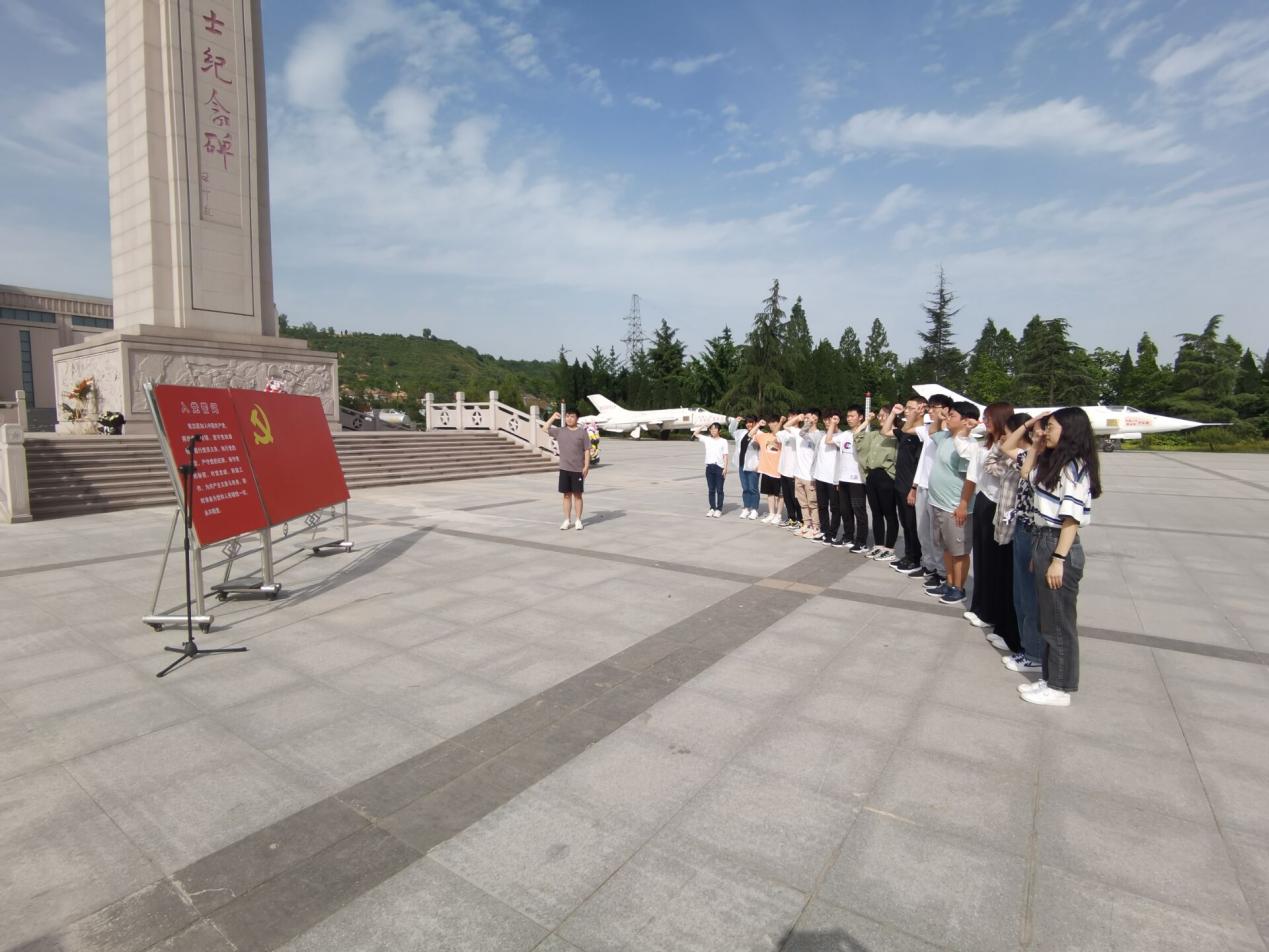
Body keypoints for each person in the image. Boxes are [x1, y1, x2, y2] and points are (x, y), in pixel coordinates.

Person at [1018, 407, 1100, 707]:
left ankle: (1060, 687)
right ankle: (1051, 677)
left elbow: (1070, 519)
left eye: (1050, 427)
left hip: (1058, 543)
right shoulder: (1055, 463)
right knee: (1048, 618)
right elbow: (1025, 475)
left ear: (1069, 430)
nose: (1045, 431)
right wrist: (1036, 445)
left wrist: (1057, 559)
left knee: (1059, 622)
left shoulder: (1074, 468)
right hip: (1044, 539)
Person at [963, 403, 1022, 655]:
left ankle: (994, 613)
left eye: (988, 418)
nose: (985, 422)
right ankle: (982, 608)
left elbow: (995, 469)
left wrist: (1005, 443)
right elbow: (974, 473)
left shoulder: (1012, 449)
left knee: (998, 565)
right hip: (985, 501)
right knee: (983, 559)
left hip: (1002, 507)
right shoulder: (985, 445)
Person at [985, 412, 1040, 675]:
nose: (1004, 438)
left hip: (1031, 531)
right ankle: (1023, 646)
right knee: (1019, 595)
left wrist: (1027, 427)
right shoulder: (1020, 457)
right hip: (1015, 528)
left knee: (1028, 598)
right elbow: (997, 455)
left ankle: (1031, 652)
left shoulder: (1036, 460)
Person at [924, 401, 980, 604]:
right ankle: (949, 583)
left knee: (959, 552)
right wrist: (940, 418)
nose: (948, 419)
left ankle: (959, 587)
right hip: (938, 503)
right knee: (947, 548)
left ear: (966, 421)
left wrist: (963, 505)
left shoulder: (967, 446)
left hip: (954, 507)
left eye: (952, 416)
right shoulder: (946, 437)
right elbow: (932, 431)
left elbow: (970, 479)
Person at [911, 393, 954, 585]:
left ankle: (941, 571)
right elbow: (906, 428)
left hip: (939, 490)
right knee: (923, 531)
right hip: (923, 484)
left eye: (934, 407)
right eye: (929, 407)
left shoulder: (950, 432)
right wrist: (914, 486)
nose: (930, 410)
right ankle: (928, 565)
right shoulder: (929, 428)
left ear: (946, 409)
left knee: (937, 535)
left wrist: (942, 419)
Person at [856, 405, 899, 561]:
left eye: (883, 415)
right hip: (872, 475)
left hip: (887, 475)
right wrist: (867, 420)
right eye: (879, 416)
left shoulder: (896, 435)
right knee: (876, 513)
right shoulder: (874, 434)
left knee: (889, 513)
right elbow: (857, 436)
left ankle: (889, 547)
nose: (880, 418)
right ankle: (879, 545)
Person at [891, 396, 927, 574]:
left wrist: (913, 488)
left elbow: (920, 464)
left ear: (921, 409)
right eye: (906, 407)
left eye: (910, 408)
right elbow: (886, 430)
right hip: (900, 483)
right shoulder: (907, 431)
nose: (906, 410)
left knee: (913, 524)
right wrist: (893, 413)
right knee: (905, 523)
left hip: (911, 486)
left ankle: (916, 558)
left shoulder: (923, 433)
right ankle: (908, 555)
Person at [544, 408, 590, 530]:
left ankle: (578, 520)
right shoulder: (560, 431)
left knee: (578, 496)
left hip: (578, 469)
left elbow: (587, 450)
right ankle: (567, 520)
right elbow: (544, 428)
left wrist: (586, 466)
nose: (569, 419)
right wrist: (553, 417)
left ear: (577, 419)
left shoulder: (582, 433)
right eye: (567, 416)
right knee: (566, 495)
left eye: (572, 416)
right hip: (564, 469)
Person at [836, 405, 869, 552]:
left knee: (859, 511)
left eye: (852, 416)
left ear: (860, 417)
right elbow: (829, 440)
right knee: (845, 510)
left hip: (858, 480)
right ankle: (848, 536)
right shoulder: (845, 434)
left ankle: (861, 541)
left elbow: (857, 435)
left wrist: (867, 421)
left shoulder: (866, 434)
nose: (849, 419)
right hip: (843, 478)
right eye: (848, 416)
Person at [787, 410, 822, 540]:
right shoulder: (798, 432)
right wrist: (797, 417)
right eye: (805, 418)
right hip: (799, 474)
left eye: (809, 418)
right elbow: (786, 426)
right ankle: (806, 525)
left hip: (810, 476)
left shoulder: (819, 435)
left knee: (813, 504)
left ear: (815, 418)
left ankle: (816, 527)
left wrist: (808, 422)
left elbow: (804, 433)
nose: (806, 420)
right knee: (803, 503)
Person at [814, 410, 843, 545]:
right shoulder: (821, 435)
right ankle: (824, 531)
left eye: (830, 419)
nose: (827, 422)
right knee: (822, 506)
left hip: (833, 478)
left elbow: (829, 441)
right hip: (820, 476)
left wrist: (839, 479)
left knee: (835, 508)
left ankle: (832, 533)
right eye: (825, 420)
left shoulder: (841, 436)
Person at [692, 422, 730, 517]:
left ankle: (719, 509)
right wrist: (703, 426)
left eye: (715, 429)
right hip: (709, 467)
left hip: (719, 467)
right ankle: (712, 508)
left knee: (720, 490)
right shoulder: (707, 439)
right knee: (711, 490)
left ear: (719, 430)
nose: (713, 431)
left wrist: (725, 468)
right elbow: (695, 434)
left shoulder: (723, 441)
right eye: (711, 429)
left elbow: (725, 455)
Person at [727, 415, 761, 520]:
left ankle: (754, 509)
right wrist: (735, 421)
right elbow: (731, 430)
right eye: (747, 422)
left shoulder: (760, 434)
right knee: (745, 488)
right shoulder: (741, 432)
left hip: (753, 465)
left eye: (751, 422)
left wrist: (760, 464)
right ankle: (746, 508)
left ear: (756, 423)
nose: (748, 424)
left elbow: (763, 451)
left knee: (753, 488)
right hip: (741, 465)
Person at [755, 416, 785, 524]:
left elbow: (777, 435)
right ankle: (771, 513)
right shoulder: (764, 436)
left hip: (779, 471)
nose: (773, 424)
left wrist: (781, 422)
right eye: (771, 422)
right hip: (767, 470)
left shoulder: (783, 436)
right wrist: (758, 424)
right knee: (770, 494)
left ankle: (778, 515)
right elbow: (750, 435)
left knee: (780, 495)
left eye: (775, 422)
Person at [777, 412, 802, 529]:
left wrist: (796, 419)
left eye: (792, 417)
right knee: (787, 497)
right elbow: (776, 435)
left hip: (794, 471)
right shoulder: (784, 433)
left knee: (795, 498)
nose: (790, 419)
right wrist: (781, 422)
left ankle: (801, 520)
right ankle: (791, 518)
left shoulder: (800, 433)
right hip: (784, 470)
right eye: (789, 417)